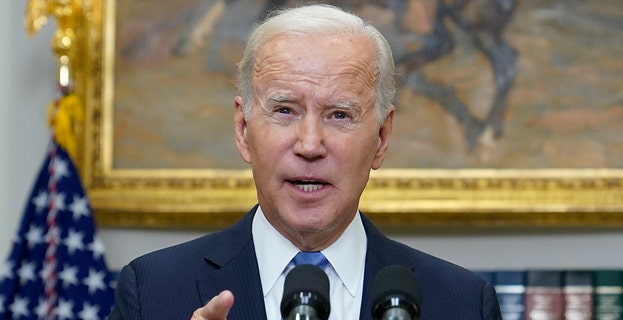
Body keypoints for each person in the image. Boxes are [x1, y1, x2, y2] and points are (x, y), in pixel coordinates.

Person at [108, 4, 501, 320]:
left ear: (382, 138)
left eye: (340, 115)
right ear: (244, 130)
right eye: (284, 110)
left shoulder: (463, 303)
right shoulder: (151, 291)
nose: (310, 144)